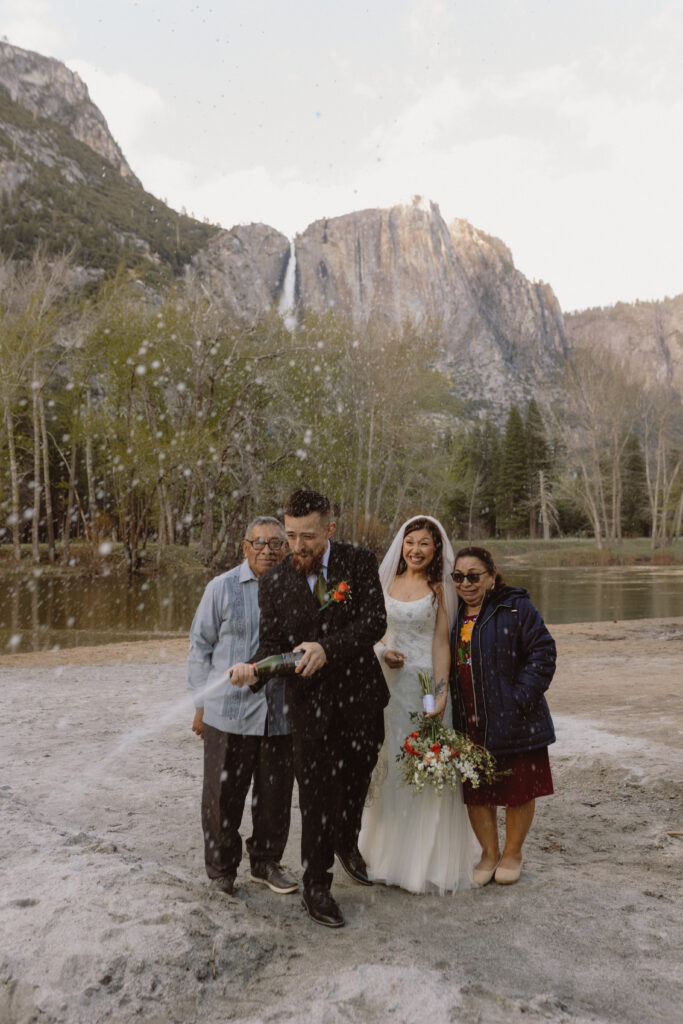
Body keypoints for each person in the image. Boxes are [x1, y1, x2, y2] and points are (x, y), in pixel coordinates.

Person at [229, 489, 388, 928]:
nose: (298, 546)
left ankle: (346, 837)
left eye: (309, 537)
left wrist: (327, 648)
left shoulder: (357, 562)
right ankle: (317, 885)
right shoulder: (275, 581)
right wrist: (254, 670)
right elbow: (273, 646)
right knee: (316, 796)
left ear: (330, 530)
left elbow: (375, 622)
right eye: (292, 535)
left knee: (357, 778)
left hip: (362, 698)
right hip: (310, 708)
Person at [358, 516, 476, 893]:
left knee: (425, 764)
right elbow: (372, 631)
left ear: (435, 549)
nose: (416, 550)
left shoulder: (440, 589)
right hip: (389, 685)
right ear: (402, 545)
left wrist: (440, 693)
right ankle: (382, 852)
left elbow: (442, 644)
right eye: (410, 542)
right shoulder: (386, 582)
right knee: (389, 762)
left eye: (424, 543)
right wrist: (381, 651)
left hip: (424, 683)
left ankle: (423, 860)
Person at [187, 516, 297, 897]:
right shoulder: (221, 587)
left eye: (276, 544)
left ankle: (265, 862)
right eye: (259, 543)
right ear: (244, 546)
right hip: (227, 712)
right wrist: (200, 705)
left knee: (275, 795)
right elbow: (200, 648)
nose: (267, 550)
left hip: (280, 711)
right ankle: (221, 870)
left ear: (286, 548)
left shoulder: (297, 586)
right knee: (222, 796)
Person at [450, 545, 556, 886]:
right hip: (470, 718)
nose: (466, 583)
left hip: (515, 717)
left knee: (518, 788)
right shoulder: (453, 613)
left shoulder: (516, 607)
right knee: (477, 788)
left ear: (491, 577)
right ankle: (489, 853)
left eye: (474, 576)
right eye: (458, 577)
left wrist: (519, 698)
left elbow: (543, 652)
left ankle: (512, 853)